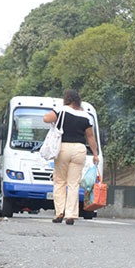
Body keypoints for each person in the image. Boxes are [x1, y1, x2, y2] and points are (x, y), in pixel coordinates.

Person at [43, 89, 99, 225]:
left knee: (60, 181)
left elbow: (46, 119)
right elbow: (90, 136)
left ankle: (59, 212)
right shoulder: (86, 116)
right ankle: (71, 215)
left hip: (63, 148)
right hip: (79, 149)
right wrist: (95, 154)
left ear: (67, 99)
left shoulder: (61, 110)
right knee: (74, 184)